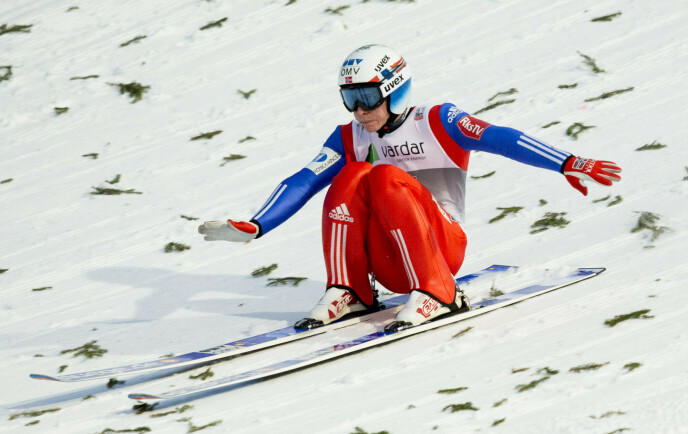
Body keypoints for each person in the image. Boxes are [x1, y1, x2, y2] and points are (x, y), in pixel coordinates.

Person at [198, 44, 621, 332]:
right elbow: (306, 179)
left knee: (382, 175)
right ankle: (351, 290)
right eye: (350, 98)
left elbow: (501, 138)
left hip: (441, 247)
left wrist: (567, 162)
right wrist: (257, 225)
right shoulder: (350, 135)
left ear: (393, 90)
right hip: (389, 258)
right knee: (349, 176)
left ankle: (440, 292)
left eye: (367, 96)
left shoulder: (438, 120)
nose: (359, 110)